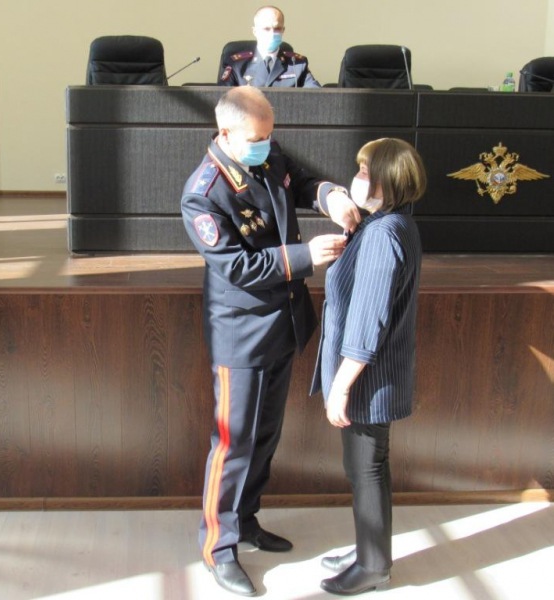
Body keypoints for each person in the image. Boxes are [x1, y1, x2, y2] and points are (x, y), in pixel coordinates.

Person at [181, 86, 361, 596]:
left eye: (269, 135)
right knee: (233, 444)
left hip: (282, 323)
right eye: (258, 138)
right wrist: (305, 257)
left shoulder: (264, 152)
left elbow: (299, 180)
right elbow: (237, 266)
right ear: (226, 133)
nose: (267, 144)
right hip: (241, 334)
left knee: (265, 437)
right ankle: (217, 548)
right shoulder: (203, 192)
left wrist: (331, 195)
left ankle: (246, 520)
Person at [311, 138, 427, 596]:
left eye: (364, 172)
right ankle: (368, 551)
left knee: (367, 470)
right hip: (374, 375)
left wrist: (341, 387)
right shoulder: (391, 224)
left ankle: (374, 566)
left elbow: (367, 322)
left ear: (388, 180)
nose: (356, 179)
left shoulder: (382, 234)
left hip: (365, 381)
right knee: (368, 468)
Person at [219, 5, 321, 88]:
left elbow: (316, 95)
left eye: (277, 28)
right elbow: (223, 97)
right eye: (266, 29)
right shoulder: (237, 64)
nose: (272, 33)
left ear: (283, 30)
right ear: (255, 31)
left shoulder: (297, 64)